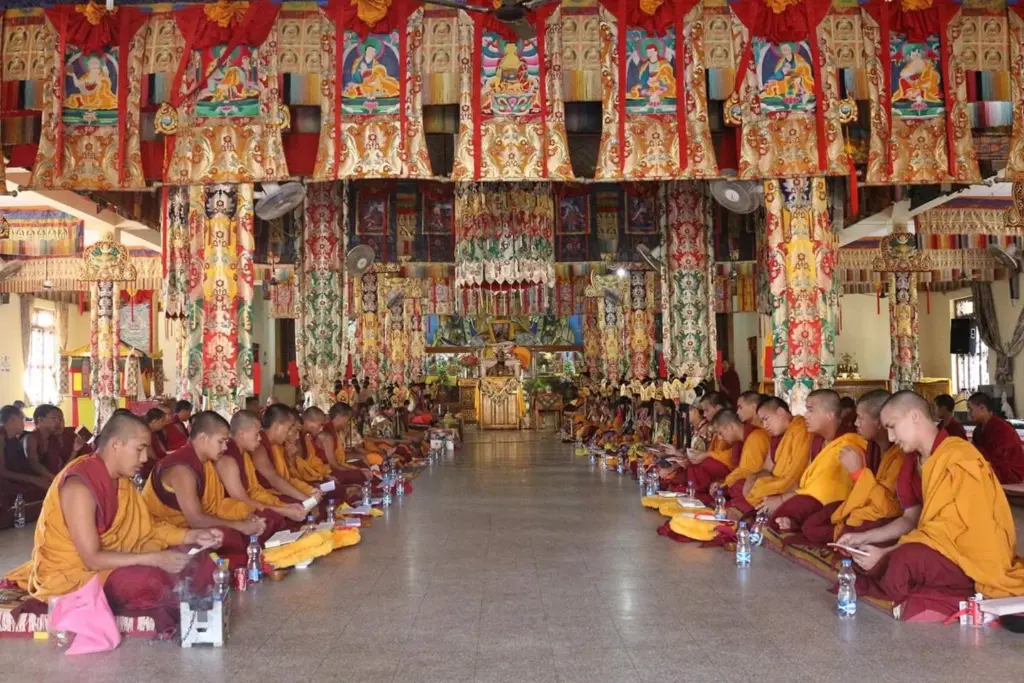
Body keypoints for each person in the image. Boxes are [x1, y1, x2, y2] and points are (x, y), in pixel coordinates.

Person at [4, 413, 222, 633]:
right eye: (140, 449)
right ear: (116, 444)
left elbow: (146, 529)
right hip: (75, 576)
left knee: (196, 556)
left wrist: (190, 535)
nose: (145, 458)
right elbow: (91, 560)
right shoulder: (79, 487)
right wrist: (155, 559)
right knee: (151, 582)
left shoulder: (121, 481)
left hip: (115, 558)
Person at [852, 391, 1024, 619]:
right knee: (870, 549)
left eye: (892, 427)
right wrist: (865, 538)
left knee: (901, 562)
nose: (891, 437)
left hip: (969, 554)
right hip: (934, 541)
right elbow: (911, 517)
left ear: (914, 416)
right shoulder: (911, 461)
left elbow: (957, 528)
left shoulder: (960, 457)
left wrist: (885, 553)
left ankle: (961, 589)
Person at [142, 411, 272, 567]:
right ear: (203, 438)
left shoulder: (204, 462)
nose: (225, 447)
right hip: (163, 531)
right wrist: (241, 525)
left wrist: (245, 518)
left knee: (246, 528)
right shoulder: (182, 470)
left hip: (188, 525)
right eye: (221, 441)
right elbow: (196, 520)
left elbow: (214, 505)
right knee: (230, 539)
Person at [762, 389, 867, 536]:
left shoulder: (848, 443)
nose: (805, 415)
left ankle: (795, 523)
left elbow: (827, 490)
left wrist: (782, 499)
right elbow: (808, 481)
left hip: (834, 504)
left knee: (805, 518)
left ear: (829, 415)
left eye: (810, 410)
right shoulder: (817, 441)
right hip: (810, 497)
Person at [818, 390, 907, 545]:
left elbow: (889, 507)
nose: (855, 423)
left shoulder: (900, 456)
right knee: (819, 517)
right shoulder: (871, 447)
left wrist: (858, 473)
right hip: (866, 508)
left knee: (844, 530)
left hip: (884, 516)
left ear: (880, 422)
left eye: (860, 417)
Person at [215, 410, 306, 524]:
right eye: (256, 434)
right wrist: (283, 510)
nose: (259, 438)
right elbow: (242, 500)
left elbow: (253, 491)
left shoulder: (245, 455)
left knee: (286, 511)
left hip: (249, 503)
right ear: (242, 434)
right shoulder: (228, 460)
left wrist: (284, 506)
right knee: (273, 519)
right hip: (232, 511)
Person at [729, 397, 816, 515]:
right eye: (762, 422)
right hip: (776, 483)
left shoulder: (802, 430)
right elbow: (767, 468)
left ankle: (748, 511)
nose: (765, 425)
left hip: (790, 487)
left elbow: (795, 478)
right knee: (740, 485)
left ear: (780, 412)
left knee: (758, 493)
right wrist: (753, 477)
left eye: (766, 419)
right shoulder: (776, 437)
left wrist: (774, 491)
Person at [251, 404, 326, 505]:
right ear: (277, 426)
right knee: (306, 505)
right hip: (264, 496)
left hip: (276, 492)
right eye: (289, 427)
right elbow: (274, 480)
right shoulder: (259, 446)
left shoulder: (276, 446)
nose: (290, 433)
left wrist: (309, 491)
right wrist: (307, 499)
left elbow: (286, 477)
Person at [0, 405, 51, 521]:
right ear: (12, 419)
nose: (23, 423)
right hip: (6, 484)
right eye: (22, 419)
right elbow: (2, 472)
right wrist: (33, 480)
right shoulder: (1, 436)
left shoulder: (13, 438)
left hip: (18, 479)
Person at [711, 410, 771, 500]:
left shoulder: (755, 438)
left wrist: (725, 484)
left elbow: (750, 473)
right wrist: (724, 482)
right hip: (746, 485)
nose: (720, 438)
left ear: (731, 426)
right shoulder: (742, 441)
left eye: (720, 433)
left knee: (738, 486)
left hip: (758, 488)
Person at [967, 392, 1024, 485]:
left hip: (1010, 472)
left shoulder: (1000, 428)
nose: (969, 413)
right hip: (991, 467)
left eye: (970, 409)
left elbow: (997, 459)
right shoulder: (978, 430)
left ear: (982, 408)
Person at [22, 405, 67, 478]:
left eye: (61, 419)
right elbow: (33, 464)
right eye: (54, 418)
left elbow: (59, 465)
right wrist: (54, 479)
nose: (59, 422)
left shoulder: (55, 439)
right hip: (31, 479)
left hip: (51, 478)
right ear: (40, 420)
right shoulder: (31, 438)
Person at [142, 407, 168, 478]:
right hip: (151, 471)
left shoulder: (153, 433)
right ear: (154, 421)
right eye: (162, 421)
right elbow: (153, 457)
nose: (164, 423)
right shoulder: (146, 434)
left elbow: (163, 451)